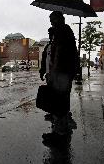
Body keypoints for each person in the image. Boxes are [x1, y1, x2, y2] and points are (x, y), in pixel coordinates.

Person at [41, 11, 78, 143]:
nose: (51, 22)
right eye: (50, 19)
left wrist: (54, 73)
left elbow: (60, 55)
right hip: (61, 72)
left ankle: (59, 134)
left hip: (61, 73)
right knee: (59, 102)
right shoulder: (61, 32)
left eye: (53, 19)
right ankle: (59, 129)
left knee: (59, 102)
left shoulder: (62, 32)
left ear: (59, 19)